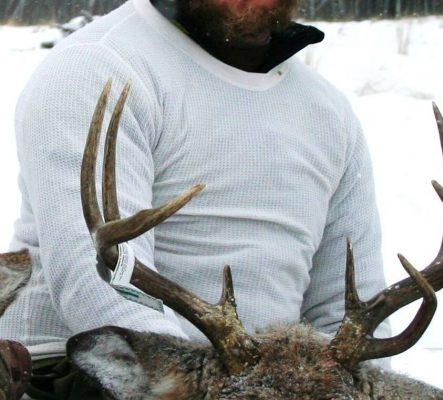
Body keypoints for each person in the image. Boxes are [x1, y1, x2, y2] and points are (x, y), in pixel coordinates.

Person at [0, 0, 390, 397]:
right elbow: (101, 284)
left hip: (271, 385)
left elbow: (350, 316)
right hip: (77, 370)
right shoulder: (100, 65)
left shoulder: (328, 111)